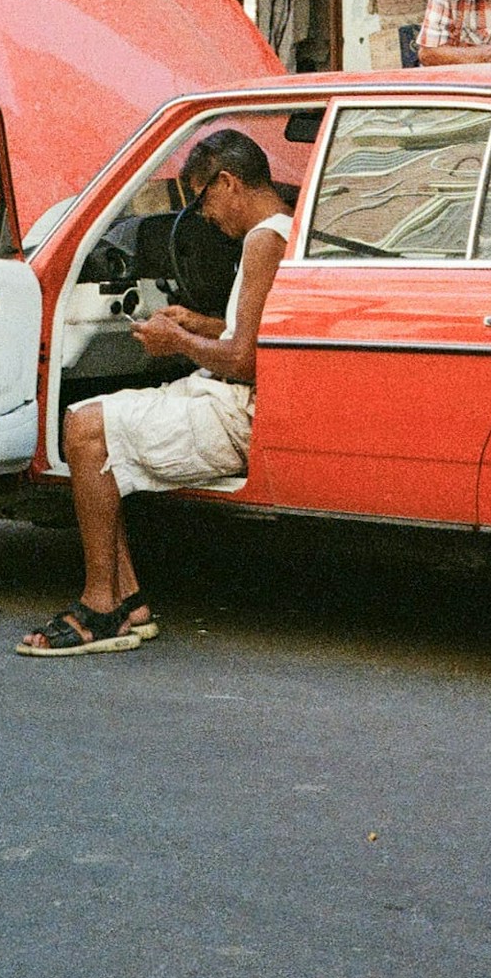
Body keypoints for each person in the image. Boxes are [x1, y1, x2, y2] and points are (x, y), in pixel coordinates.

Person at [17, 128, 291, 658]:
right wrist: (199, 323)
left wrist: (177, 340)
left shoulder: (262, 240)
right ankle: (130, 601)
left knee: (84, 426)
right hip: (224, 397)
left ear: (228, 183)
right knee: (87, 422)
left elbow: (247, 361)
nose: (205, 216)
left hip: (232, 411)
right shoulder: (281, 230)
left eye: (203, 200)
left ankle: (101, 606)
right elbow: (249, 336)